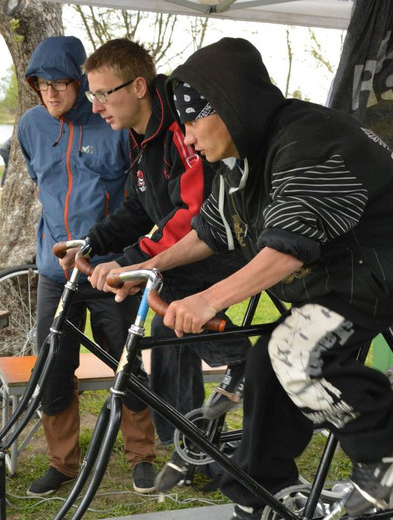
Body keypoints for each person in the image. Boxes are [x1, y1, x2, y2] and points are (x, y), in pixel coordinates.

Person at [107, 37, 393, 520]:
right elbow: (211, 231)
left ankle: (389, 442)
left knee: (295, 351)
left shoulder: (309, 138)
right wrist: (148, 268)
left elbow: (289, 245)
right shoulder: (239, 157)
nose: (188, 138)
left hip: (381, 267)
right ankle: (263, 499)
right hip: (330, 276)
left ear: (228, 105)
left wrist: (209, 298)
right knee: (263, 366)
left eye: (192, 124)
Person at [59, 38, 250, 455]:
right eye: (92, 96)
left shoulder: (181, 125)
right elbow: (137, 206)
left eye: (103, 94)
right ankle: (186, 443)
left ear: (139, 87)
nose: (96, 107)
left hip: (228, 238)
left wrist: (133, 261)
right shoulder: (140, 133)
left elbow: (195, 213)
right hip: (193, 243)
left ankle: (246, 365)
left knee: (167, 292)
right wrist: (93, 242)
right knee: (165, 324)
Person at [17, 35, 157, 496]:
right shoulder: (30, 126)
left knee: (125, 361)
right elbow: (40, 182)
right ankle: (62, 463)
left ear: (80, 82)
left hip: (108, 269)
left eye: (60, 82)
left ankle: (142, 456)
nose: (50, 92)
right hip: (54, 272)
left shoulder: (113, 123)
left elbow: (139, 199)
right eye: (41, 84)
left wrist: (119, 256)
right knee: (54, 366)